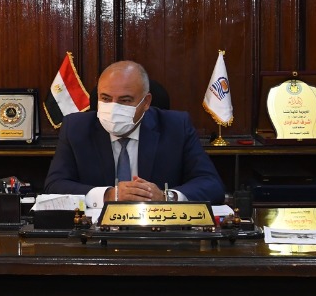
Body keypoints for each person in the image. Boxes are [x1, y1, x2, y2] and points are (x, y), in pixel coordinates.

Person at [45, 60, 224, 205]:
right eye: (105, 98)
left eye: (125, 100)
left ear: (146, 103)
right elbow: (54, 186)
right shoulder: (76, 128)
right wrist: (108, 195)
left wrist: (166, 197)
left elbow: (212, 185)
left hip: (158, 231)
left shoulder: (176, 126)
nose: (113, 108)